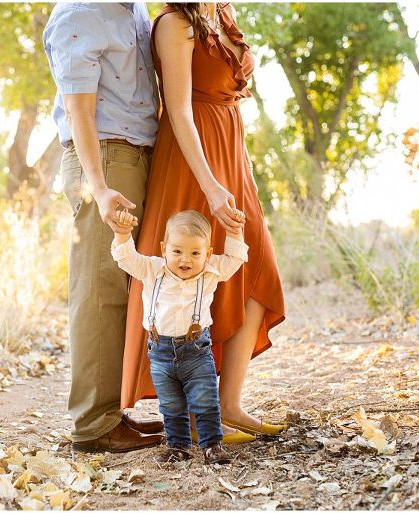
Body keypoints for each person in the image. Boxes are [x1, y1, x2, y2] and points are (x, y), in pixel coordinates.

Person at [120, 2, 288, 441]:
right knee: (187, 275)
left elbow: (232, 101)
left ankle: (230, 404)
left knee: (255, 271)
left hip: (232, 150)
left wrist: (240, 176)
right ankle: (197, 416)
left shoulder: (223, 18)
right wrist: (211, 186)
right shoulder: (175, 24)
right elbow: (178, 111)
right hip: (192, 157)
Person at [43, 2, 164, 453]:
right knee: (99, 289)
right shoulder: (80, 13)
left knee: (125, 285)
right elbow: (79, 110)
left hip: (136, 157)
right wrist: (99, 187)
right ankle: (93, 425)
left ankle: (111, 412)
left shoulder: (133, 10)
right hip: (105, 161)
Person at [112, 209, 246, 464]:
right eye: (177, 252)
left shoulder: (210, 272)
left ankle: (212, 446)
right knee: (171, 405)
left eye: (195, 253)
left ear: (207, 254)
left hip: (196, 351)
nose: (185, 260)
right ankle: (178, 447)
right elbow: (126, 258)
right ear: (164, 249)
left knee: (205, 400)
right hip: (160, 353)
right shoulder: (152, 270)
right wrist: (122, 235)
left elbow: (234, 258)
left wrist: (234, 231)